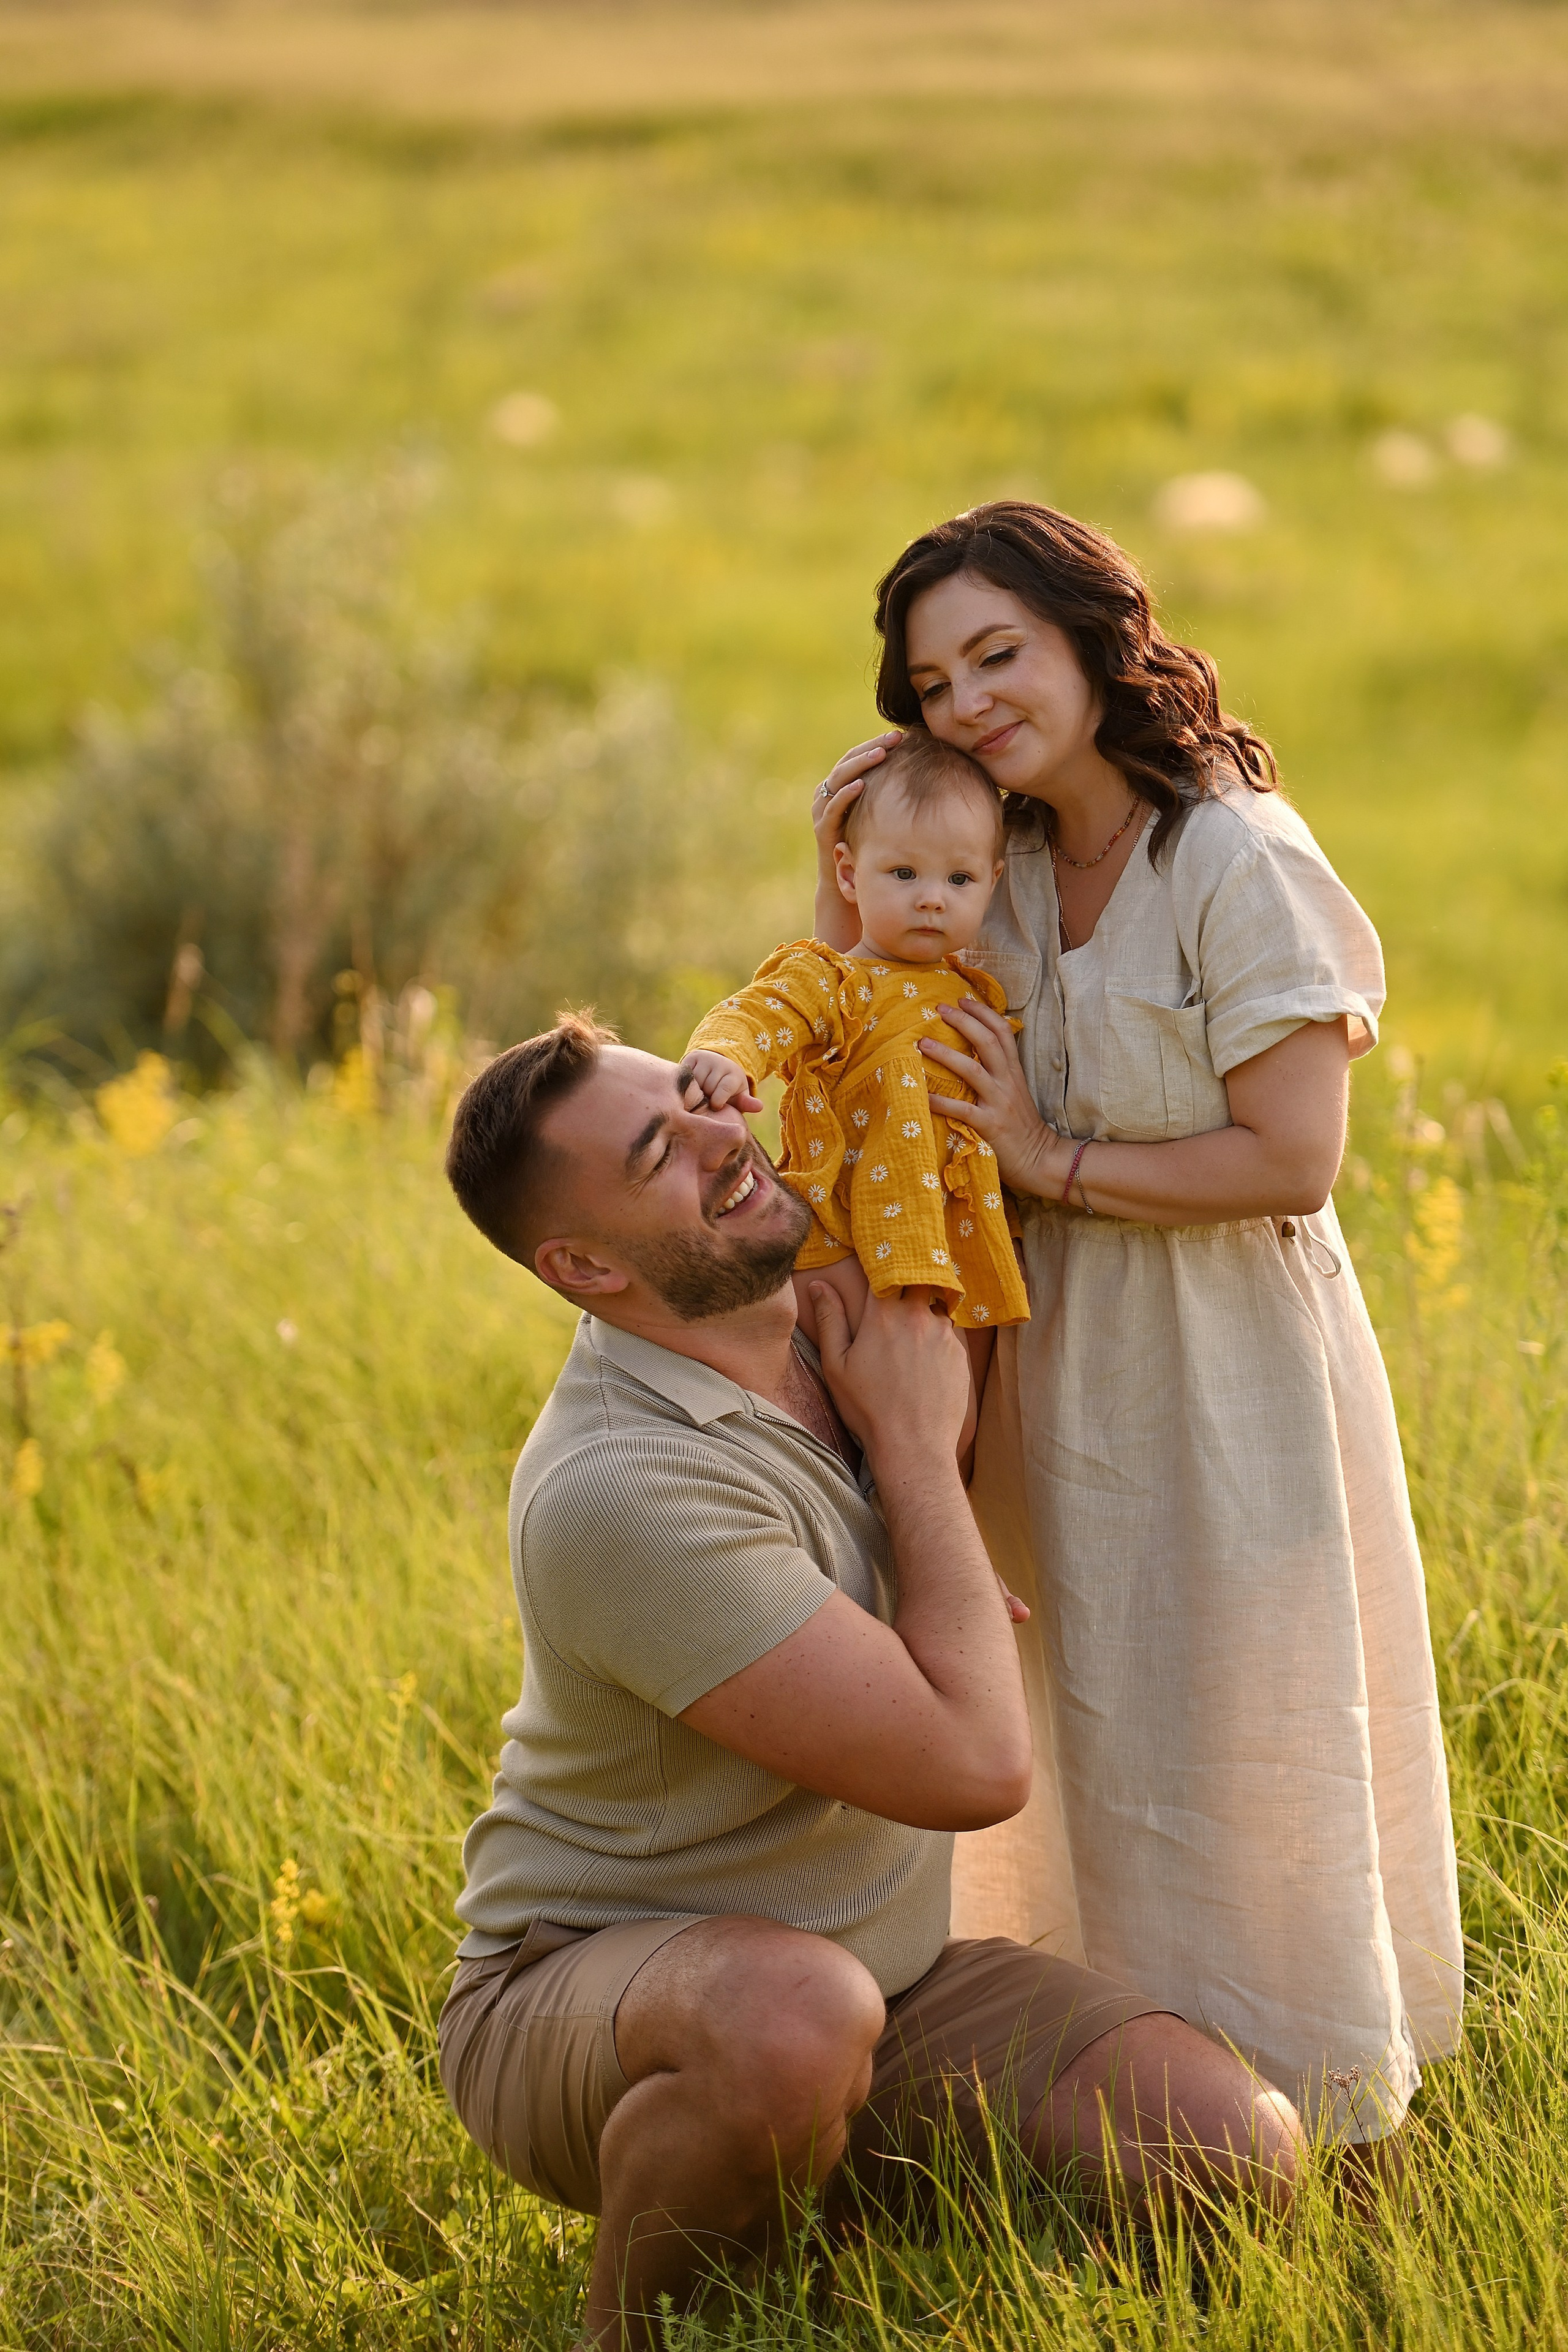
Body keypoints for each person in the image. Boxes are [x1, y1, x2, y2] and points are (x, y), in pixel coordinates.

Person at [439, 1015, 1302, 2345]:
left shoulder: (812, 1300)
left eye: (693, 1092)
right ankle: (640, 2329)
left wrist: (862, 836)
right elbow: (971, 1770)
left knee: (1231, 2150)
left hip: (880, 1980)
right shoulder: (621, 1491)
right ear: (582, 1265)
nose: (725, 1132)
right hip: (591, 1998)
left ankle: (803, 2210)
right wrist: (911, 1445)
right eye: (661, 1149)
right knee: (790, 2020)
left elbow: (872, 990)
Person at [809, 501, 1463, 2162]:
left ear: (1097, 631)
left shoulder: (1234, 855)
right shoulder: (1003, 856)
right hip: (1042, 1364)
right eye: (933, 680)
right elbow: (875, 1042)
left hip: (1219, 1360)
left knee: (1239, 1724)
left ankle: (1321, 2131)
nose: (967, 705)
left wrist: (1045, 1159)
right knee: (1082, 1721)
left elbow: (1292, 1157)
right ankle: (1123, 2116)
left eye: (998, 655)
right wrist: (847, 888)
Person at [682, 730, 1028, 1410]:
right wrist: (727, 1056)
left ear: (991, 882)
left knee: (959, 1430)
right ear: (848, 873)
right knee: (876, 1416)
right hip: (852, 1239)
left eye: (958, 880)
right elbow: (764, 1011)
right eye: (903, 875)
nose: (932, 898)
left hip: (958, 1232)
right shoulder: (838, 979)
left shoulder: (975, 992)